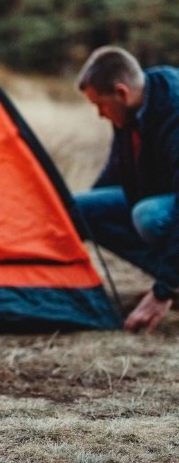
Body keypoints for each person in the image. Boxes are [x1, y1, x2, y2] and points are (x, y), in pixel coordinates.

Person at [73, 45, 179, 333]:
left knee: (150, 215)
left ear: (121, 92)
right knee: (77, 208)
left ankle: (172, 282)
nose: (99, 114)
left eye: (100, 105)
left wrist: (163, 290)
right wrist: (81, 222)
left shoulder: (173, 109)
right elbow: (116, 172)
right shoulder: (133, 111)